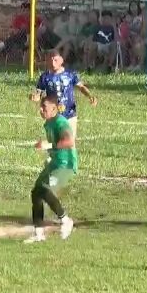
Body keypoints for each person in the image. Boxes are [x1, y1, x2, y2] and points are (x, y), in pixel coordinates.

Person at [24, 96, 76, 243]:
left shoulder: (60, 122)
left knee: (45, 190)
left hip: (65, 164)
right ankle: (39, 234)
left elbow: (69, 141)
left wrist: (47, 146)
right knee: (36, 193)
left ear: (54, 109)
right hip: (55, 163)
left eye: (44, 107)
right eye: (41, 106)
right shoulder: (48, 123)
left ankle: (66, 220)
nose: (41, 110)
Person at [32, 50, 97, 140]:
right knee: (54, 143)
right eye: (50, 60)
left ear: (61, 60)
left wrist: (90, 96)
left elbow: (81, 87)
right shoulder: (44, 77)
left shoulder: (70, 74)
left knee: (69, 142)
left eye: (55, 60)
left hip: (70, 113)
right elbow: (39, 92)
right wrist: (35, 97)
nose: (53, 63)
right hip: (53, 114)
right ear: (47, 61)